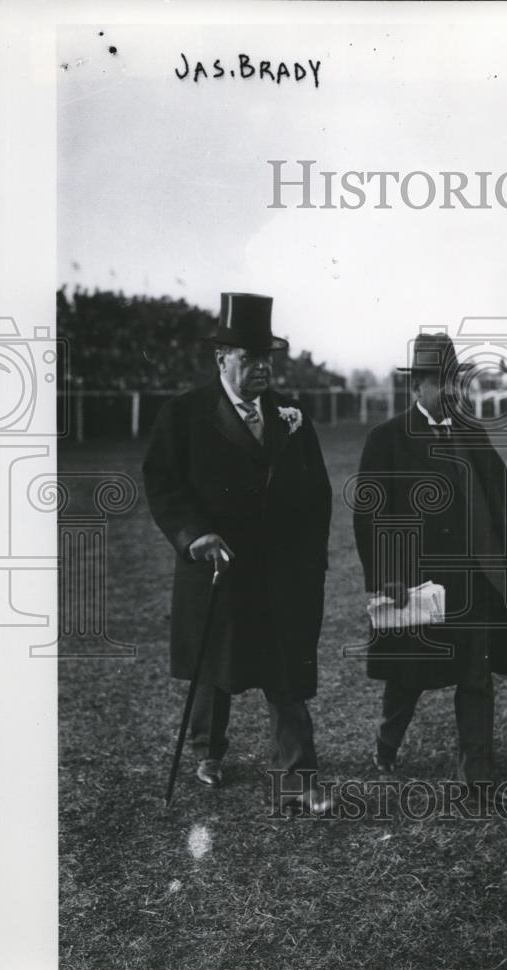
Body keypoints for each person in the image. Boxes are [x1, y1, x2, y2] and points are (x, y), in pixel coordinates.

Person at [143, 292, 332, 813]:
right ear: (221, 359)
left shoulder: (291, 416)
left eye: (267, 358)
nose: (261, 368)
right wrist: (193, 534)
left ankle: (297, 774)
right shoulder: (183, 415)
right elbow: (162, 484)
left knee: (284, 670)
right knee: (215, 664)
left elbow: (316, 492)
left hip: (278, 571)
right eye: (249, 358)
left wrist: (310, 556)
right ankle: (208, 750)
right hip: (217, 565)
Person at [352, 329, 507, 804]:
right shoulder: (387, 439)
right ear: (417, 386)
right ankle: (387, 744)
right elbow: (369, 517)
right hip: (415, 585)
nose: (454, 391)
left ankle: (475, 770)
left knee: (475, 675)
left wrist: (493, 550)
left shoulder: (471, 432)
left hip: (472, 581)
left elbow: (499, 488)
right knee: (408, 678)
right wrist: (388, 578)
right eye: (443, 382)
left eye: (457, 381)